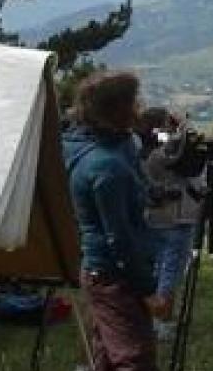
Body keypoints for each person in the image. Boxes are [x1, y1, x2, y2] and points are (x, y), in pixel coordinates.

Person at [66, 71, 161, 371]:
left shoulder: (83, 147)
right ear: (118, 109)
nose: (139, 107)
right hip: (114, 275)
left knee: (106, 354)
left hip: (96, 270)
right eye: (133, 102)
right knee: (134, 357)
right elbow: (119, 237)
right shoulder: (107, 167)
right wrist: (148, 289)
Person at [138, 107, 202, 341]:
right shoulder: (162, 154)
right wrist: (185, 125)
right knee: (169, 276)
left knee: (157, 272)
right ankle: (161, 324)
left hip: (154, 219)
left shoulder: (141, 152)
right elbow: (189, 146)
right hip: (176, 219)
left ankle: (154, 321)